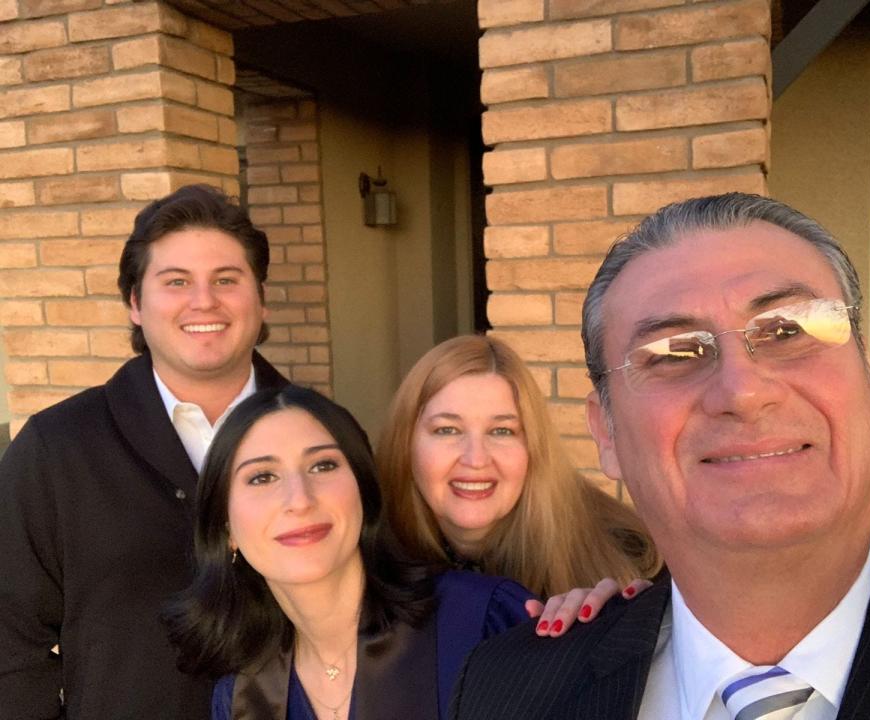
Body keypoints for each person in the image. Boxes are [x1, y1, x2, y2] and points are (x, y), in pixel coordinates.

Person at [450, 193, 870, 720]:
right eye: (674, 353)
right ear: (607, 434)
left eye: (789, 330)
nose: (742, 391)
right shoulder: (505, 692)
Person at [0, 185, 288, 719]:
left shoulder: (319, 440)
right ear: (135, 303)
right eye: (176, 282)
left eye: (227, 279)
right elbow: (9, 640)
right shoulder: (55, 449)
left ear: (261, 298)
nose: (204, 301)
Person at [165, 384, 533, 720]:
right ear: (226, 528)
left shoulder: (484, 621)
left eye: (323, 465)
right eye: (262, 477)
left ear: (364, 492)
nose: (299, 499)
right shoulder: (240, 697)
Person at [377, 334, 660, 626]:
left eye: (502, 431)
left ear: (533, 448)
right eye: (447, 430)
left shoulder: (626, 552)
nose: (476, 459)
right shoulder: (372, 562)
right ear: (405, 444)